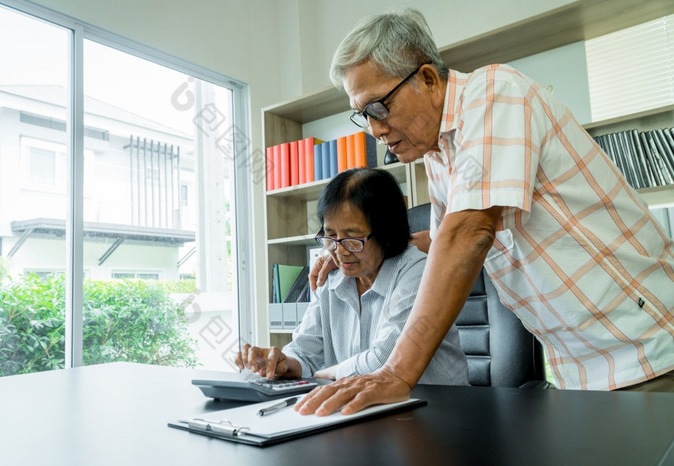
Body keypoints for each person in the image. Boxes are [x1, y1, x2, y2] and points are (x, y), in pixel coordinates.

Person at [297, 8, 674, 416]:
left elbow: (469, 232)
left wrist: (396, 373)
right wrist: (354, 250)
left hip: (647, 350)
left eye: (379, 107)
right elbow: (441, 242)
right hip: (579, 373)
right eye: (363, 114)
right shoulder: (439, 154)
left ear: (426, 78)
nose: (374, 129)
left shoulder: (494, 93)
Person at [236, 168, 468, 386]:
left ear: (386, 232)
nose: (340, 250)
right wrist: (283, 362)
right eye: (331, 236)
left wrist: (328, 374)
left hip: (435, 406)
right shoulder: (332, 279)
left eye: (352, 238)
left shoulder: (416, 271)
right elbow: (305, 351)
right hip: (366, 409)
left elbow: (385, 360)